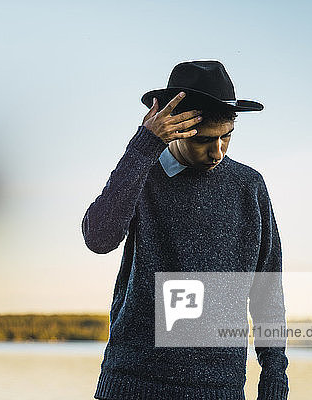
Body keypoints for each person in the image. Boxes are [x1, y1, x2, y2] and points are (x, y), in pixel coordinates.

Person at [81, 60, 289, 399]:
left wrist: (274, 380)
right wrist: (144, 145)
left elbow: (267, 291)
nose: (217, 151)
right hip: (132, 383)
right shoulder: (141, 174)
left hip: (220, 388)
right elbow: (99, 238)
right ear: (174, 126)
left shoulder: (248, 186)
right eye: (204, 140)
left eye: (227, 137)